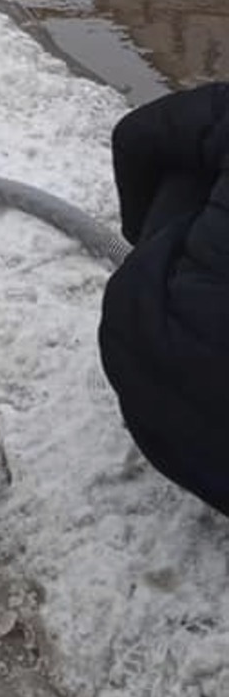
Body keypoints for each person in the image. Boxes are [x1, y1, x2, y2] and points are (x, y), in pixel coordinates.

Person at [98, 82, 229, 518]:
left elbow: (134, 136)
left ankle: (166, 300)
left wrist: (148, 250)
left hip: (172, 414)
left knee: (186, 153)